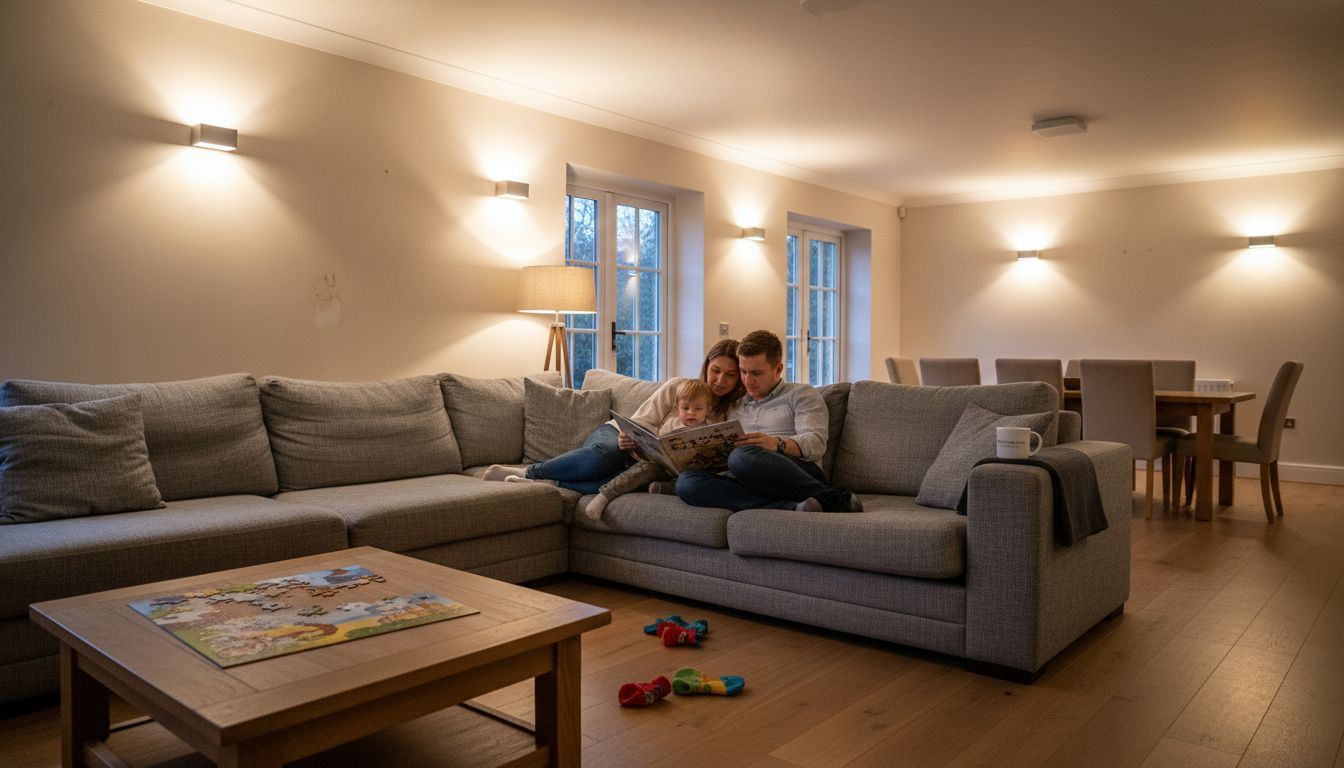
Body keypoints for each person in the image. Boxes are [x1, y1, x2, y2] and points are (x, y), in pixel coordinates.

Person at [483, 339, 745, 495]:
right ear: (706, 367)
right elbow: (642, 422)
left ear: (740, 376)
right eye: (715, 370)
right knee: (605, 456)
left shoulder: (728, 412)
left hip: (653, 461)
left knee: (639, 484)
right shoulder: (680, 387)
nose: (720, 380)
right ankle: (530, 472)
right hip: (619, 437)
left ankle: (551, 483)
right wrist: (630, 441)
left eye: (730, 374)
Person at [676, 329, 862, 513]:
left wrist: (777, 444)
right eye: (743, 371)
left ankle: (831, 497)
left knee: (742, 457)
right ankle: (791, 507)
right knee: (686, 482)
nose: (747, 380)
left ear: (778, 369)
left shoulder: (801, 394)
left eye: (756, 373)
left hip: (796, 470)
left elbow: (816, 444)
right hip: (744, 475)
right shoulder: (734, 406)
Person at [582, 379, 716, 521]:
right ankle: (605, 495)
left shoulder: (710, 430)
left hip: (687, 475)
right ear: (677, 408)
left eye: (698, 409)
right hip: (661, 467)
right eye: (685, 408)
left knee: (697, 482)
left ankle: (662, 489)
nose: (691, 413)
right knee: (645, 468)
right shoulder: (670, 424)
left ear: (708, 410)